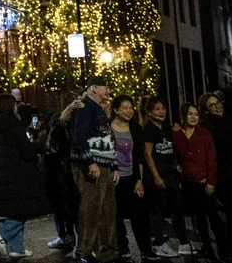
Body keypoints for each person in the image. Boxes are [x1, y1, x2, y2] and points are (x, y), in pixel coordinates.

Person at [0, 93, 49, 260]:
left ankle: (17, 248)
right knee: (23, 209)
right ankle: (2, 232)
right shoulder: (15, 126)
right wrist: (37, 146)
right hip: (14, 176)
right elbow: (27, 152)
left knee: (13, 210)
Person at [71, 76, 120, 263]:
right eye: (105, 87)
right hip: (93, 166)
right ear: (94, 88)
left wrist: (113, 165)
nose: (108, 91)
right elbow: (78, 137)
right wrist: (90, 162)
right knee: (91, 209)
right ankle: (85, 250)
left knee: (107, 210)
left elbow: (107, 138)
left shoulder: (98, 109)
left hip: (104, 165)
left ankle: (103, 248)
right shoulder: (85, 107)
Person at [173, 102, 225, 259]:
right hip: (189, 183)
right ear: (183, 116)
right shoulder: (177, 135)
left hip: (204, 182)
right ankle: (207, 248)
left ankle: (224, 249)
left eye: (196, 114)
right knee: (199, 219)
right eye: (190, 114)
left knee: (214, 217)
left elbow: (212, 160)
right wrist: (176, 165)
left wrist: (211, 182)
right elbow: (174, 155)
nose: (194, 117)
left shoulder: (204, 134)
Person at [201, 92, 232, 261]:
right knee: (221, 215)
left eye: (218, 103)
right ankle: (228, 249)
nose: (216, 106)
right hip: (216, 175)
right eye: (211, 105)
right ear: (206, 110)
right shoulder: (205, 127)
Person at [109, 95, 155, 262]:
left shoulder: (135, 128)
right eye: (125, 108)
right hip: (114, 179)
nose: (129, 111)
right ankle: (123, 249)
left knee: (139, 215)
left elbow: (139, 157)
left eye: (131, 107)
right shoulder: (107, 128)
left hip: (131, 177)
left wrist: (139, 180)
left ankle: (146, 250)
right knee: (116, 217)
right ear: (115, 110)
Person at [141, 96, 187, 258]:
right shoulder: (148, 129)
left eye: (163, 108)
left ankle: (183, 242)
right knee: (157, 211)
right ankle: (159, 244)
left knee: (177, 207)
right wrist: (156, 176)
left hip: (170, 174)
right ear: (149, 112)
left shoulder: (165, 128)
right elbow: (147, 155)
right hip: (158, 175)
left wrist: (176, 164)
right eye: (157, 109)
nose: (161, 112)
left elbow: (169, 149)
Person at [44, 95, 84, 252]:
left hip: (64, 170)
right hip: (63, 170)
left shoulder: (65, 125)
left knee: (68, 206)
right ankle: (70, 238)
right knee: (67, 206)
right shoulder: (61, 125)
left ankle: (71, 238)